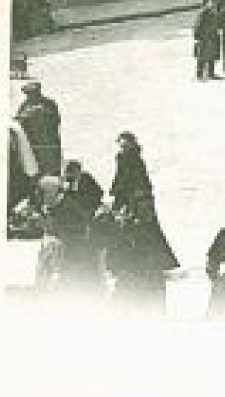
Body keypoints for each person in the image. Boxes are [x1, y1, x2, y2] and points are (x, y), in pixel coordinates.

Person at [105, 132, 179, 312]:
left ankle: (133, 261)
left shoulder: (125, 157)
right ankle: (159, 259)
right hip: (142, 198)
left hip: (135, 199)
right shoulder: (135, 156)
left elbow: (124, 178)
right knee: (151, 230)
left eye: (123, 143)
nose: (121, 146)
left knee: (134, 229)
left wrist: (115, 192)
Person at [33, 175, 100, 297]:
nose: (38, 195)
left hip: (76, 260)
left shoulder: (68, 208)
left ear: (50, 192)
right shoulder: (57, 204)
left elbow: (77, 233)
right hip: (65, 258)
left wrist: (51, 228)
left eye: (41, 192)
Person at [15, 81, 63, 178]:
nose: (30, 96)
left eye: (33, 93)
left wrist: (39, 114)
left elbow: (56, 120)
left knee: (52, 172)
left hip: (49, 145)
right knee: (35, 172)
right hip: (34, 146)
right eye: (28, 94)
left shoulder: (49, 104)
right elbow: (19, 124)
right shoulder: (24, 106)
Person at [193, 0, 222, 80]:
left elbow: (217, 24)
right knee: (202, 56)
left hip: (212, 36)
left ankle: (211, 73)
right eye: (212, 6)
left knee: (212, 56)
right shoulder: (203, 14)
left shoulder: (215, 14)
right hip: (204, 37)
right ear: (208, 5)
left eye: (214, 6)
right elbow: (198, 25)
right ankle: (199, 75)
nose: (214, 7)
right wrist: (197, 36)